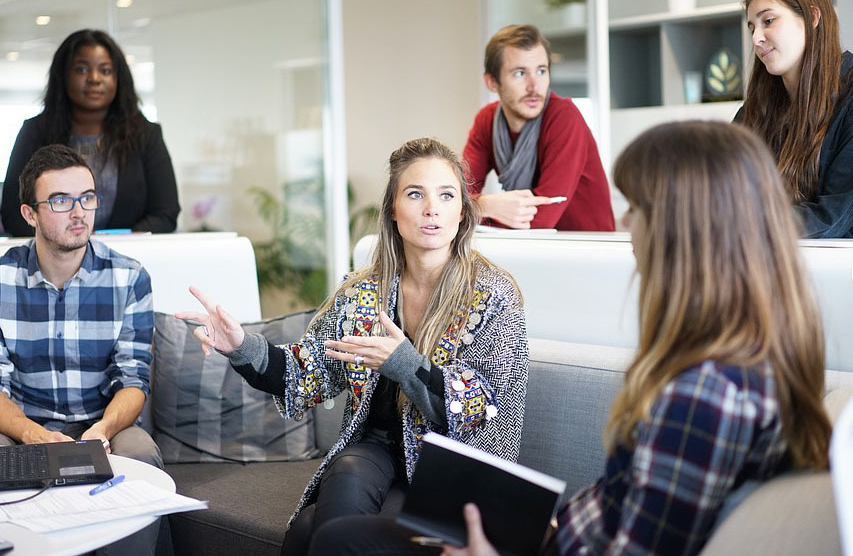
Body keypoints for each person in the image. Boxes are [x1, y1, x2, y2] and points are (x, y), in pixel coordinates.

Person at [309, 120, 832, 556]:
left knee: (340, 542)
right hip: (554, 535)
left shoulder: (705, 394)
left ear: (684, 229)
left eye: (638, 208)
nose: (626, 224)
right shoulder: (740, 360)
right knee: (333, 532)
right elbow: (628, 507)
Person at [178, 137, 528, 554]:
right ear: (393, 212)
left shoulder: (493, 294)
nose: (432, 208)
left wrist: (405, 364)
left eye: (446, 195)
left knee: (311, 529)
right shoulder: (363, 292)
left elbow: (487, 410)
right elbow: (304, 372)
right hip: (377, 449)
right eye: (415, 194)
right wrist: (239, 346)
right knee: (345, 471)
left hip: (453, 466)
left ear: (462, 213)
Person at [0, 145, 163, 555]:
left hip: (102, 423)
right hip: (21, 424)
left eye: (87, 197)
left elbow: (133, 378)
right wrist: (33, 435)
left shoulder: (129, 278)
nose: (79, 212)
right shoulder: (2, 280)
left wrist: (101, 432)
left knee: (140, 455)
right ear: (29, 214)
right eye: (60, 200)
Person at [1, 28, 180, 236]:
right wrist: (67, 244)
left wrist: (112, 246)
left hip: (128, 259)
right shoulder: (35, 132)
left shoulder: (146, 135)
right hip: (53, 262)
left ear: (118, 79)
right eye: (82, 70)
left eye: (105, 71)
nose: (94, 79)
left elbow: (165, 214)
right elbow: (13, 215)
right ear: (63, 76)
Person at [462, 24, 614, 231]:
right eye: (519, 73)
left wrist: (474, 208)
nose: (534, 86)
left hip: (586, 250)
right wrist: (485, 205)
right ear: (492, 83)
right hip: (531, 249)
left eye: (541, 71)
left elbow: (541, 220)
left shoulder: (564, 117)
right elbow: (455, 196)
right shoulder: (486, 120)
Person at [736, 0, 853, 237]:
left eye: (768, 20)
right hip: (767, 263)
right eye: (752, 28)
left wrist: (742, 226)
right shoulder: (755, 109)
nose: (756, 39)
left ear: (812, 17)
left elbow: (834, 217)